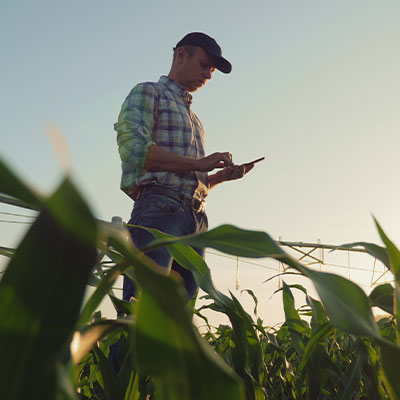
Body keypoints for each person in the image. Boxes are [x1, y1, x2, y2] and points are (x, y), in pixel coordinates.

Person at [114, 32, 254, 302]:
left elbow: (186, 179)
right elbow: (134, 151)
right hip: (159, 212)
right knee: (142, 313)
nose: (209, 76)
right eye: (205, 65)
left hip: (195, 219)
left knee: (178, 325)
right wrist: (199, 163)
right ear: (181, 55)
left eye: (212, 70)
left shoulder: (194, 119)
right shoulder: (148, 92)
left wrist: (219, 178)